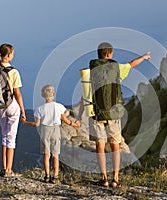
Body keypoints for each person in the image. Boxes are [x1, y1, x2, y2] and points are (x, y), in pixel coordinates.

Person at [78, 42, 151, 187]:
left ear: (99, 54)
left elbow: (86, 94)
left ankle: (104, 178)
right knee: (115, 145)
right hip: (113, 113)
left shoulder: (92, 71)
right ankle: (115, 178)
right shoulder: (117, 68)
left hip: (96, 113)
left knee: (100, 145)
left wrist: (81, 115)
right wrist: (143, 57)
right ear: (109, 54)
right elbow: (132, 64)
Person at [22, 85, 80, 184]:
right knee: (55, 155)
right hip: (56, 129)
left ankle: (47, 175)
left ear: (42, 95)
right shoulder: (59, 106)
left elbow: (37, 124)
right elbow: (65, 120)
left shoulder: (39, 109)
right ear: (53, 94)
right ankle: (55, 176)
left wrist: (25, 122)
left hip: (44, 130)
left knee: (46, 155)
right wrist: (74, 124)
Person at [0, 43, 26, 177]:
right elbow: (17, 93)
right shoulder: (13, 72)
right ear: (8, 55)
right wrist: (23, 110)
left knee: (4, 136)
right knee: (11, 137)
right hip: (11, 105)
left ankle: (3, 167)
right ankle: (9, 169)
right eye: (12, 53)